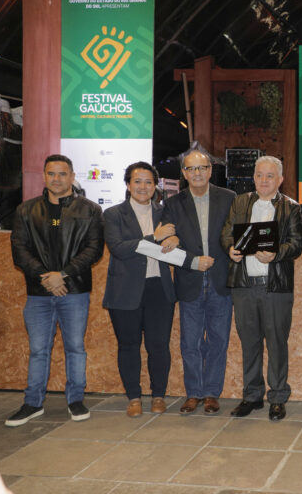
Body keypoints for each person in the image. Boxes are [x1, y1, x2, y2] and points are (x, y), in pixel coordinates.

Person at [7, 154, 104, 426]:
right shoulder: (26, 210)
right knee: (38, 349)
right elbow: (19, 251)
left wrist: (62, 275)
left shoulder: (90, 210)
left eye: (62, 174)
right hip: (38, 293)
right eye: (51, 174)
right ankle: (32, 403)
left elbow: (93, 250)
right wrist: (45, 277)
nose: (57, 179)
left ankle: (76, 400)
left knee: (75, 347)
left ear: (73, 177)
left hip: (74, 291)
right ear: (44, 176)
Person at [221, 156, 302, 421]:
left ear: (280, 179)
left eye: (270, 176)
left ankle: (278, 397)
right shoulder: (240, 202)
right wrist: (230, 248)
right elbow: (227, 233)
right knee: (250, 343)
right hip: (243, 286)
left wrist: (277, 253)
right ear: (253, 177)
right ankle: (252, 396)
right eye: (259, 175)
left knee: (277, 344)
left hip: (275, 287)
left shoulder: (291, 208)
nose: (264, 180)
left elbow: (297, 243)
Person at [161, 146, 236, 415]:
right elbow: (166, 243)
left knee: (218, 341)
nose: (197, 173)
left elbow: (236, 235)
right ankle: (193, 393)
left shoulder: (229, 198)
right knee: (190, 343)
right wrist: (168, 238)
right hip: (189, 281)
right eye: (191, 169)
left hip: (220, 282)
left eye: (202, 168)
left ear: (210, 170)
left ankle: (211, 393)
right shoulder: (172, 203)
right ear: (183, 173)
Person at [102, 162, 177, 417]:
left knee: (159, 345)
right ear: (128, 184)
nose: (143, 187)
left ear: (155, 186)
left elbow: (174, 246)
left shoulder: (164, 212)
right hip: (124, 290)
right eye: (137, 181)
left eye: (148, 182)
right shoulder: (113, 214)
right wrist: (153, 238)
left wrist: (175, 240)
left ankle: (158, 395)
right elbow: (119, 248)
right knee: (129, 345)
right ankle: (133, 397)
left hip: (159, 288)